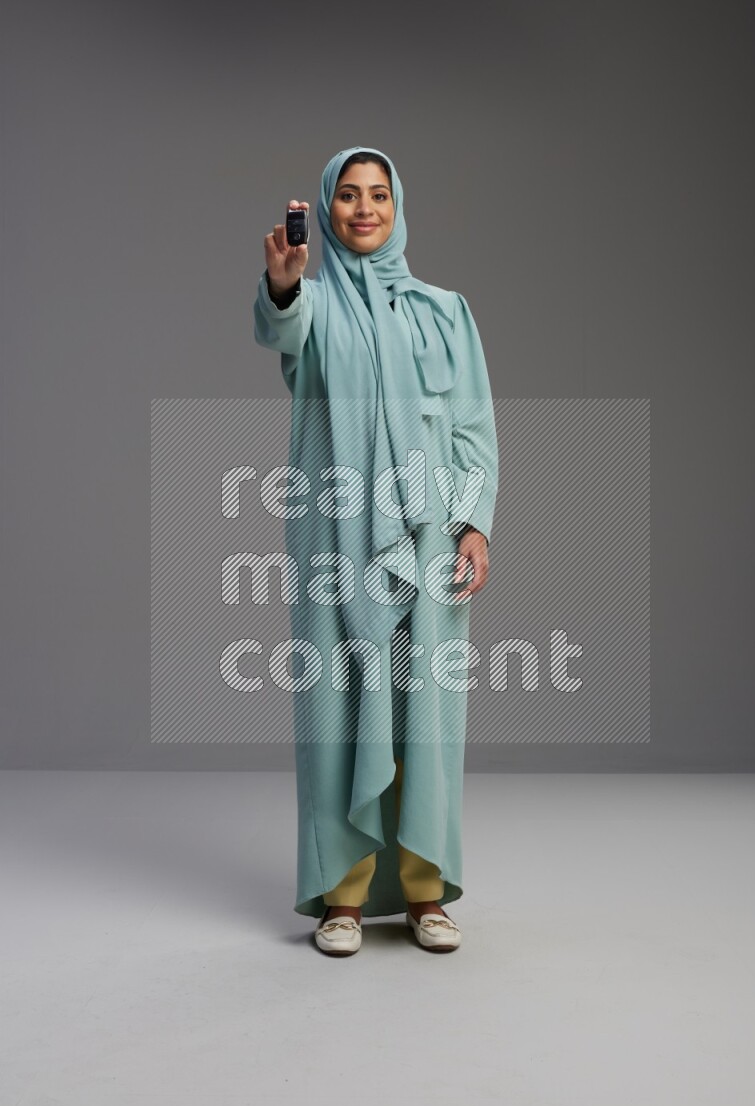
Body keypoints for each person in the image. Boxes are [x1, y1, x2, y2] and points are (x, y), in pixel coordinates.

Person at [253, 146, 499, 955]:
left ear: (398, 208)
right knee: (335, 710)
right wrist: (285, 282)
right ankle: (344, 898)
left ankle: (426, 892)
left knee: (428, 712)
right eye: (349, 196)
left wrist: (473, 523)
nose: (364, 208)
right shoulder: (316, 307)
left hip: (426, 539)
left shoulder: (445, 310)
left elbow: (471, 429)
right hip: (336, 536)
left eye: (379, 196)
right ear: (325, 211)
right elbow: (279, 327)